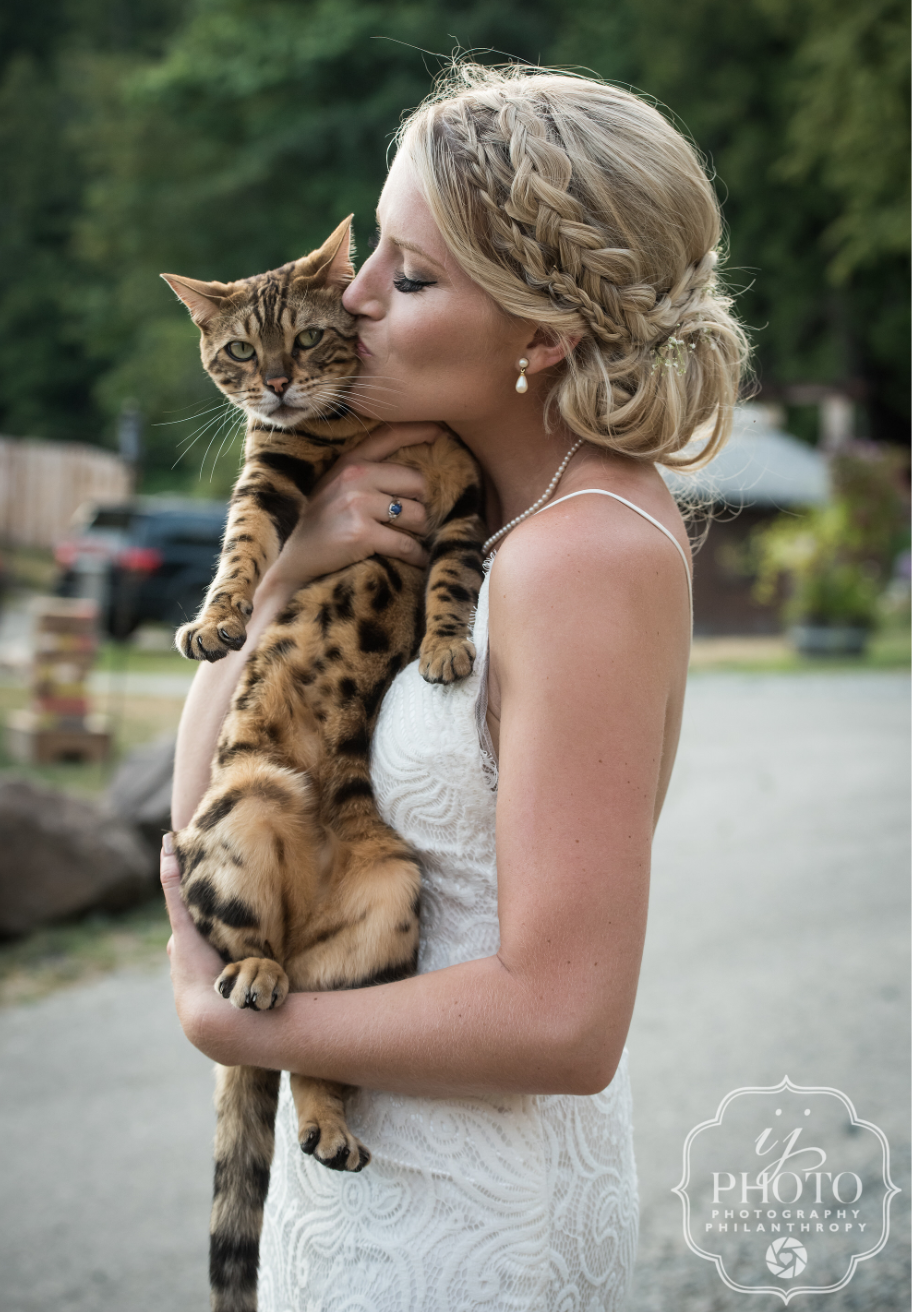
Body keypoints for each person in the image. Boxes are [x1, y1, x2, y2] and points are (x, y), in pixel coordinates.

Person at [161, 63, 748, 1310]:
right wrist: (281, 579)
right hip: (365, 1192)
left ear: (543, 333)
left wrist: (243, 1030)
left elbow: (565, 1024)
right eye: (373, 251)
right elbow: (203, 804)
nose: (355, 300)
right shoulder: (432, 507)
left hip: (470, 1235)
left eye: (409, 275)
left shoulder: (580, 553)